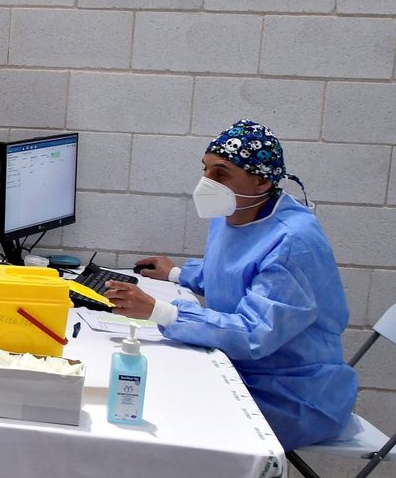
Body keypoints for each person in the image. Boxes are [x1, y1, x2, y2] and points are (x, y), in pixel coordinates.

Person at [104, 120, 357, 452]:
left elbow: (254, 334)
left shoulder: (293, 241)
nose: (206, 182)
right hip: (242, 369)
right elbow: (236, 275)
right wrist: (179, 274)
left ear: (262, 180)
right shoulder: (236, 212)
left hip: (292, 394)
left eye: (221, 174)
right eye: (205, 170)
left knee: (161, 413)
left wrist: (161, 312)